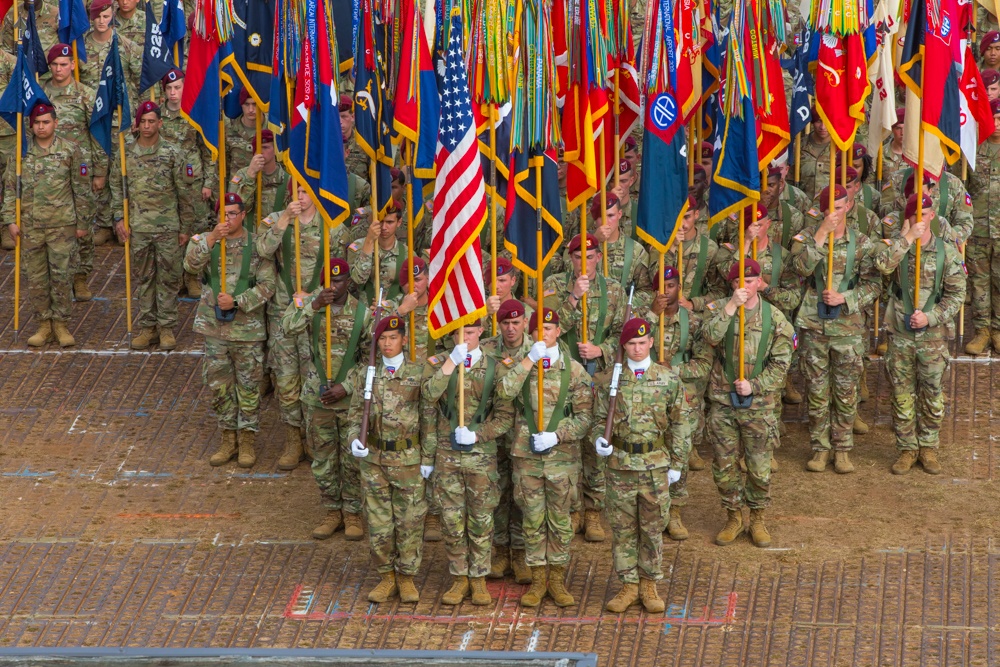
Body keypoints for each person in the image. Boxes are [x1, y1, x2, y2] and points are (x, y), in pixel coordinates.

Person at [496, 308, 594, 607]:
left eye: (550, 328)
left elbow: (585, 418)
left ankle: (557, 579)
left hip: (561, 459)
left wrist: (558, 434)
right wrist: (528, 360)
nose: (545, 333)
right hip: (527, 457)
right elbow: (504, 392)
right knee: (533, 520)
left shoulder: (574, 371)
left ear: (558, 331)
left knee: (561, 522)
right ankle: (538, 580)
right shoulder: (521, 364)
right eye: (540, 329)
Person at [592, 318, 686, 613]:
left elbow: (681, 423)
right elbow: (597, 418)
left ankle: (649, 583)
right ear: (624, 346)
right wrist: (598, 441)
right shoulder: (610, 380)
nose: (636, 348)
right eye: (631, 343)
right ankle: (628, 584)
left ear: (651, 343)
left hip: (654, 466)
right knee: (622, 530)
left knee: (652, 527)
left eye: (642, 343)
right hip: (620, 464)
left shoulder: (668, 379)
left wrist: (678, 462)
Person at [422, 321, 515, 605]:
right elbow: (428, 395)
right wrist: (451, 363)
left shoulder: (496, 367)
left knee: (481, 519)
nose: (466, 337)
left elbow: (504, 416)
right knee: (451, 519)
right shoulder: (439, 363)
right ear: (451, 335)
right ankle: (459, 577)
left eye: (472, 332)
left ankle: (479, 579)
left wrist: (478, 434)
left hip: (480, 456)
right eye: (460, 332)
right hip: (447, 452)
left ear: (481, 333)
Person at [703, 260, 794, 547]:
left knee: (758, 465)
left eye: (752, 279)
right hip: (723, 400)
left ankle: (757, 518)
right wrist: (730, 307)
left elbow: (781, 364)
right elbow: (709, 337)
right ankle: (733, 516)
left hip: (760, 404)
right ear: (732, 284)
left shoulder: (776, 318)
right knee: (724, 463)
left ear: (759, 282)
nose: (746, 285)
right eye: (740, 280)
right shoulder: (720, 309)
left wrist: (753, 386)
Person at [543, 233, 628, 541]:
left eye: (590, 257)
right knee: (564, 442)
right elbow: (548, 327)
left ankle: (593, 511)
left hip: (599, 378)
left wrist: (601, 349)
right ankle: (570, 508)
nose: (584, 262)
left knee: (595, 443)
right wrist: (573, 298)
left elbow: (623, 333)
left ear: (599, 258)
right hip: (562, 377)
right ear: (570, 258)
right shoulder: (553, 285)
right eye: (578, 257)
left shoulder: (614, 290)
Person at [791, 186, 880, 472]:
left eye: (840, 208)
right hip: (814, 326)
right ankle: (820, 448)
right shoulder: (807, 237)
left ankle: (842, 448)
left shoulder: (862, 242)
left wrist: (847, 298)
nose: (835, 214)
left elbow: (875, 284)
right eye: (829, 209)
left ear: (849, 207)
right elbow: (800, 269)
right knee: (816, 392)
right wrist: (820, 235)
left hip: (847, 328)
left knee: (845, 391)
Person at [183, 193, 276, 468]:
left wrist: (238, 301)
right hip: (214, 329)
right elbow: (189, 265)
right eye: (224, 214)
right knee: (220, 386)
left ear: (243, 214)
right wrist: (212, 238)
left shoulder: (257, 246)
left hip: (247, 330)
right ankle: (227, 438)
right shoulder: (205, 241)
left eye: (234, 213)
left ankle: (247, 440)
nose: (229, 219)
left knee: (248, 387)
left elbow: (267, 285)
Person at [280, 257, 370, 540]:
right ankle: (333, 511)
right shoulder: (313, 308)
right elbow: (287, 328)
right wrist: (314, 305)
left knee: (351, 462)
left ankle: (353, 513)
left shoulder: (363, 314)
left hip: (348, 400)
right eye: (329, 281)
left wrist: (347, 386)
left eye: (340, 280)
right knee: (323, 460)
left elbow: (370, 360)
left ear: (349, 282)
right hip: (317, 397)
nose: (334, 286)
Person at [878, 195, 965, 475]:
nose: (921, 219)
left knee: (932, 394)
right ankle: (906, 448)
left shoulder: (946, 252)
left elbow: (957, 294)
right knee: (902, 394)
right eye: (915, 214)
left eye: (925, 213)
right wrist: (905, 240)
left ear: (932, 216)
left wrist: (931, 316)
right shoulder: (897, 246)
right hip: (901, 333)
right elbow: (882, 266)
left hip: (933, 335)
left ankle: (928, 446)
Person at [348, 316, 429, 605]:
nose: (387, 343)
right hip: (375, 459)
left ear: (404, 340)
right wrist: (353, 440)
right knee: (379, 522)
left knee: (409, 521)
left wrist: (428, 457)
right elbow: (356, 414)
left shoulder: (418, 374)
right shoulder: (366, 375)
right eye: (382, 338)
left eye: (393, 337)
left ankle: (407, 577)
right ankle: (386, 576)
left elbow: (428, 419)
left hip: (407, 459)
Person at [2, 102, 95, 347]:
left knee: (62, 276)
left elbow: (81, 189)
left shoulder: (70, 151)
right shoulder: (21, 152)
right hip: (30, 226)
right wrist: (10, 220)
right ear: (30, 125)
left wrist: (83, 223)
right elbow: (11, 188)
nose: (41, 127)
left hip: (62, 226)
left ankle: (61, 324)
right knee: (37, 278)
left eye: (46, 122)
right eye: (37, 123)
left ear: (55, 123)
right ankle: (44, 324)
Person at [112, 101, 198, 349]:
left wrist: (185, 228)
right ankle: (147, 326)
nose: (147, 126)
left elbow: (185, 192)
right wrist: (119, 218)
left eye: (152, 121)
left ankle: (167, 327)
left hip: (167, 226)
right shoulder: (125, 152)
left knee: (169, 278)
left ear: (160, 123)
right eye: (143, 121)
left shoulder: (172, 153)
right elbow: (118, 187)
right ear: (136, 124)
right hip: (138, 227)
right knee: (144, 278)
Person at [256, 183, 327, 469]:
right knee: (286, 379)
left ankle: (312, 439)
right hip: (283, 312)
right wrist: (285, 218)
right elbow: (262, 248)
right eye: (296, 192)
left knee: (312, 376)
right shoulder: (277, 219)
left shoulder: (330, 223)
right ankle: (292, 440)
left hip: (315, 313)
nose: (301, 197)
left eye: (306, 191)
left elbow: (342, 268)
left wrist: (317, 294)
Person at [41, 43, 102, 302]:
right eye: (54, 64)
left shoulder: (85, 94)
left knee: (83, 223)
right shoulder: (41, 94)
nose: (58, 69)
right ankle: (56, 276)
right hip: (48, 170)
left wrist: (100, 171)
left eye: (63, 64)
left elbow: (97, 135)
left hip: (80, 169)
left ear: (73, 66)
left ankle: (81, 276)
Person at [480, 299, 532, 583]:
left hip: (526, 436)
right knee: (497, 494)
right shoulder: (487, 349)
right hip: (495, 435)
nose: (510, 329)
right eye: (505, 323)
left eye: (516, 322)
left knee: (523, 495)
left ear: (525, 322)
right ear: (498, 325)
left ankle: (521, 552)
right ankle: (500, 550)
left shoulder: (537, 350)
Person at [84, 0, 143, 245]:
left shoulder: (125, 46)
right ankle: (104, 223)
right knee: (98, 172)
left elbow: (141, 82)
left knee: (120, 170)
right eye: (97, 16)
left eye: (106, 15)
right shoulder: (82, 46)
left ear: (113, 15)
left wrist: (140, 116)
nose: (101, 21)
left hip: (121, 120)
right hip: (92, 119)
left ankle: (122, 221)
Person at [159, 68, 214, 295]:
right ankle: (172, 277)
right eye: (169, 88)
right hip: (165, 184)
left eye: (178, 87)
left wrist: (208, 183)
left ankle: (192, 275)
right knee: (171, 231)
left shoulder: (195, 114)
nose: (173, 92)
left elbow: (208, 151)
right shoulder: (156, 117)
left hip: (192, 182)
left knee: (196, 229)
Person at [965, 98, 1000, 355]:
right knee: (979, 283)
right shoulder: (973, 150)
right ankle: (982, 331)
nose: (997, 124)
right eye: (993, 119)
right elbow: (962, 189)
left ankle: (998, 330)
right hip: (977, 230)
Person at [348, 199, 408, 303]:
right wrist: (369, 241)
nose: (384, 227)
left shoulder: (406, 253)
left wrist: (389, 305)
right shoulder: (357, 246)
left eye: (389, 222)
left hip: (392, 314)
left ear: (399, 222)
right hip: (363, 312)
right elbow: (358, 279)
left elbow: (410, 292)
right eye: (380, 221)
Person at [228, 129, 289, 225]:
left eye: (265, 147)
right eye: (257, 148)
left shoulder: (286, 179)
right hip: (249, 234)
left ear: (275, 150)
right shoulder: (242, 175)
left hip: (276, 235)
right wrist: (250, 175)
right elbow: (235, 209)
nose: (261, 151)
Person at [793, 109, 832, 200]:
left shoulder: (841, 149)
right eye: (819, 121)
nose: (823, 127)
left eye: (827, 121)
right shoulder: (799, 146)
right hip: (803, 206)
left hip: (832, 207)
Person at [226, 89, 258, 180]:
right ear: (241, 105)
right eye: (247, 104)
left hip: (265, 189)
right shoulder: (230, 129)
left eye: (255, 104)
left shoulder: (272, 128)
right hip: (238, 188)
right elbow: (223, 165)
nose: (251, 109)